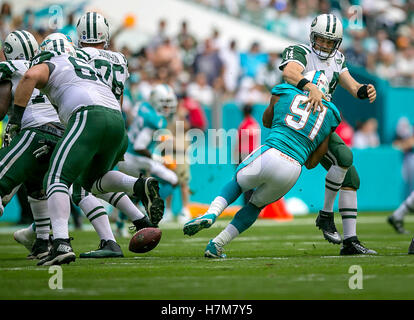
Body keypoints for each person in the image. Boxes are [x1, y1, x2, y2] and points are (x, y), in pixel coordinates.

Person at [10, 33, 164, 266]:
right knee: (90, 182)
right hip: (116, 120)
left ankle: (60, 243)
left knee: (55, 178)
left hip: (88, 117)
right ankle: (138, 186)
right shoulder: (83, 66)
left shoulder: (53, 62)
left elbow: (30, 75)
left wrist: (15, 121)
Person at [183, 71, 340, 258]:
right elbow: (312, 163)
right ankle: (217, 244)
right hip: (293, 168)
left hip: (271, 151)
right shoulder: (331, 114)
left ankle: (211, 213)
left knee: (237, 183)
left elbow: (266, 121)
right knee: (255, 206)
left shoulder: (285, 92)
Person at [278, 13, 377, 254]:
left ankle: (350, 241)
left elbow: (353, 87)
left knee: (351, 178)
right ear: (312, 37)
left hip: (319, 124)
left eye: (329, 42)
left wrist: (365, 90)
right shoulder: (300, 51)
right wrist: (310, 86)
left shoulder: (338, 59)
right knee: (344, 157)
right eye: (320, 39)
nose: (323, 45)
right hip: (300, 123)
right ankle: (325, 214)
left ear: (338, 43)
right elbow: (290, 73)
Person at [73, 12, 158, 258]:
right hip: (115, 124)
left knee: (75, 185)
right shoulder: (120, 58)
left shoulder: (75, 55)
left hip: (88, 121)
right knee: (97, 181)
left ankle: (106, 240)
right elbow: (119, 98)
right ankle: (140, 216)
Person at [0, 30, 62, 260]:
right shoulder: (48, 64)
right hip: (62, 133)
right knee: (37, 187)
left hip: (36, 130)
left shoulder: (10, 68)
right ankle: (43, 242)